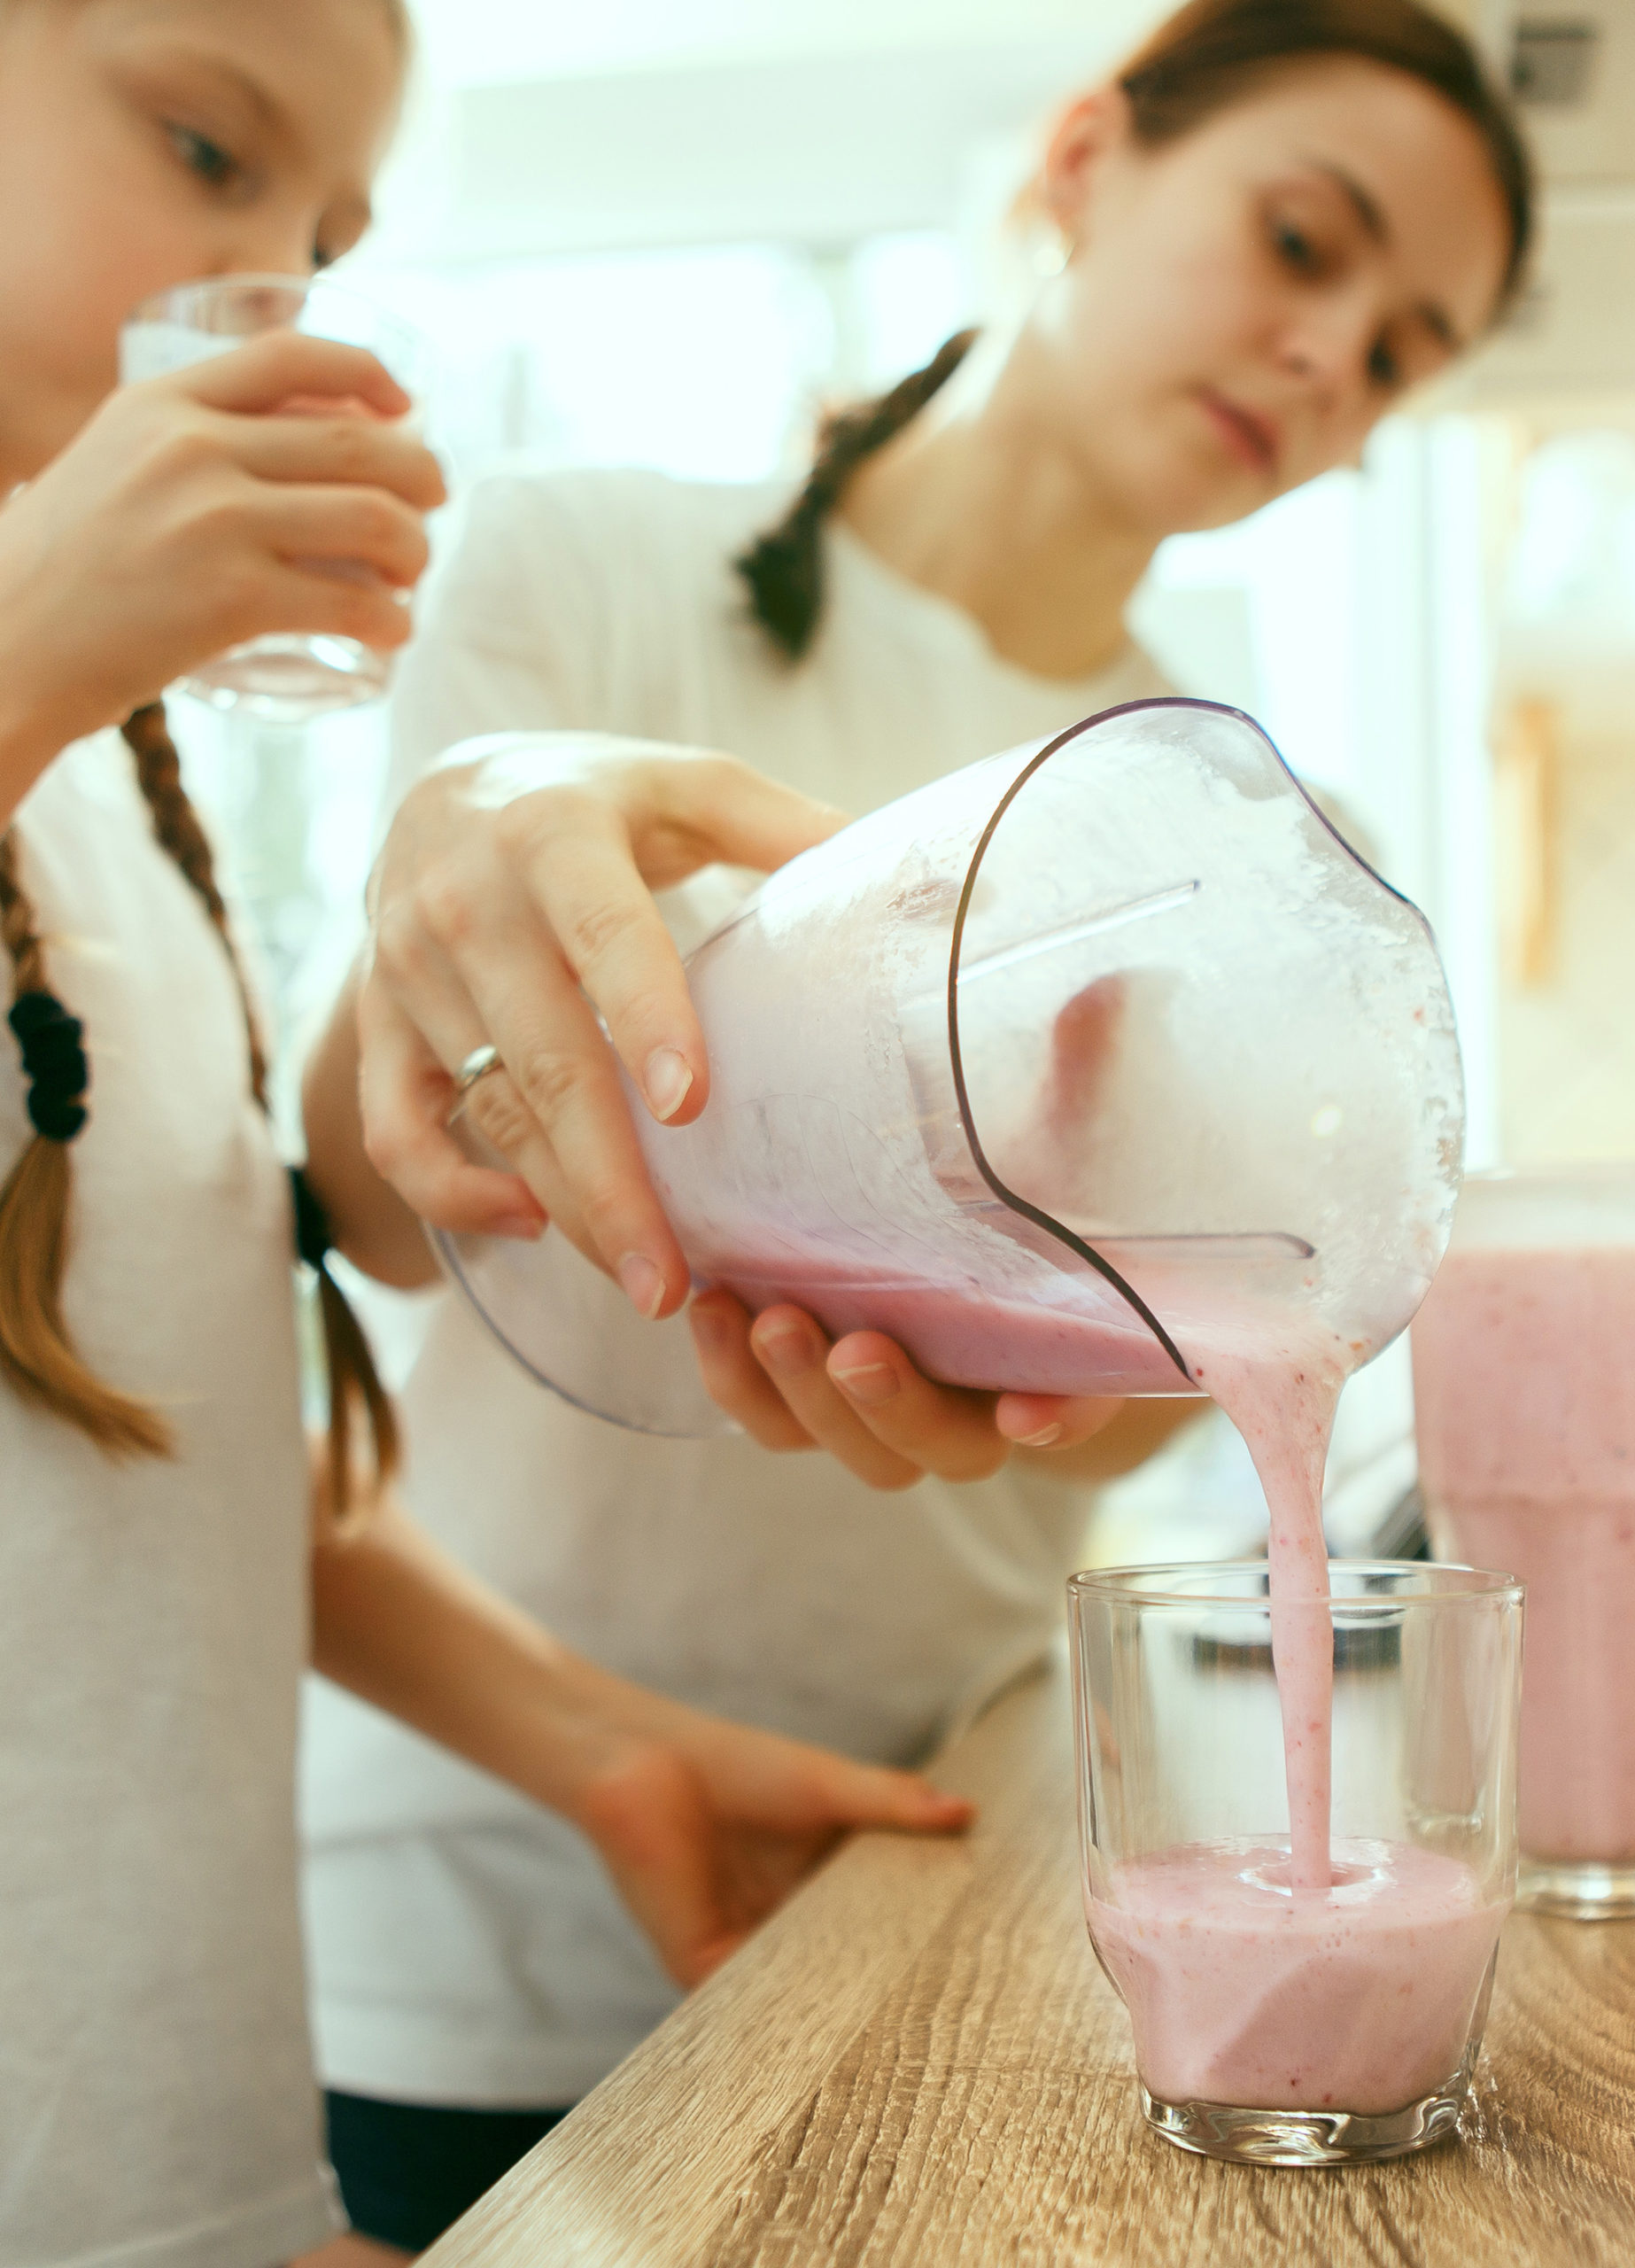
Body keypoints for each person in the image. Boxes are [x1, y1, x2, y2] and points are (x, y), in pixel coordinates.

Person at [297, 0, 1536, 2242]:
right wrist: (459, 857)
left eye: (1401, 351)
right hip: (476, 1874)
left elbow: (1182, 1391)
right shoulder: (586, 579)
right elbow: (382, 1202)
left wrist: (1063, 1409)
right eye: (1300, 241)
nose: (1330, 356)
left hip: (931, 1862)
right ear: (1084, 160)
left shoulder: (1265, 836)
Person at [0, 7, 972, 2266]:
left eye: (327, 238)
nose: (273, 295)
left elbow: (146, 1436)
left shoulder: (108, 818)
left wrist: (595, 1741)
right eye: (202, 144)